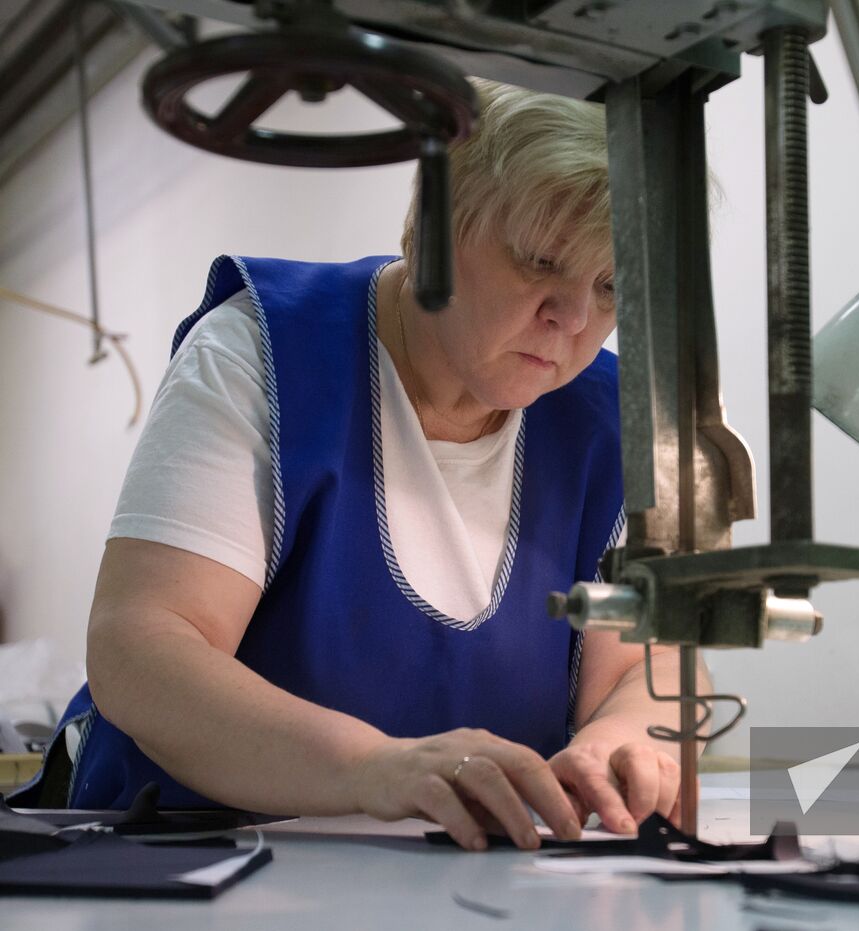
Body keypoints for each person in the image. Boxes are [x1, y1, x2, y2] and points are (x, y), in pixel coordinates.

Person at [11, 81, 710, 851]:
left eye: (610, 286)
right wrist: (374, 768)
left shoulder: (611, 423)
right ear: (430, 229)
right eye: (540, 261)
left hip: (468, 880)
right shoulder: (267, 354)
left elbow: (644, 671)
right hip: (192, 859)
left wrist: (626, 743)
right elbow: (141, 648)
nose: (574, 320)